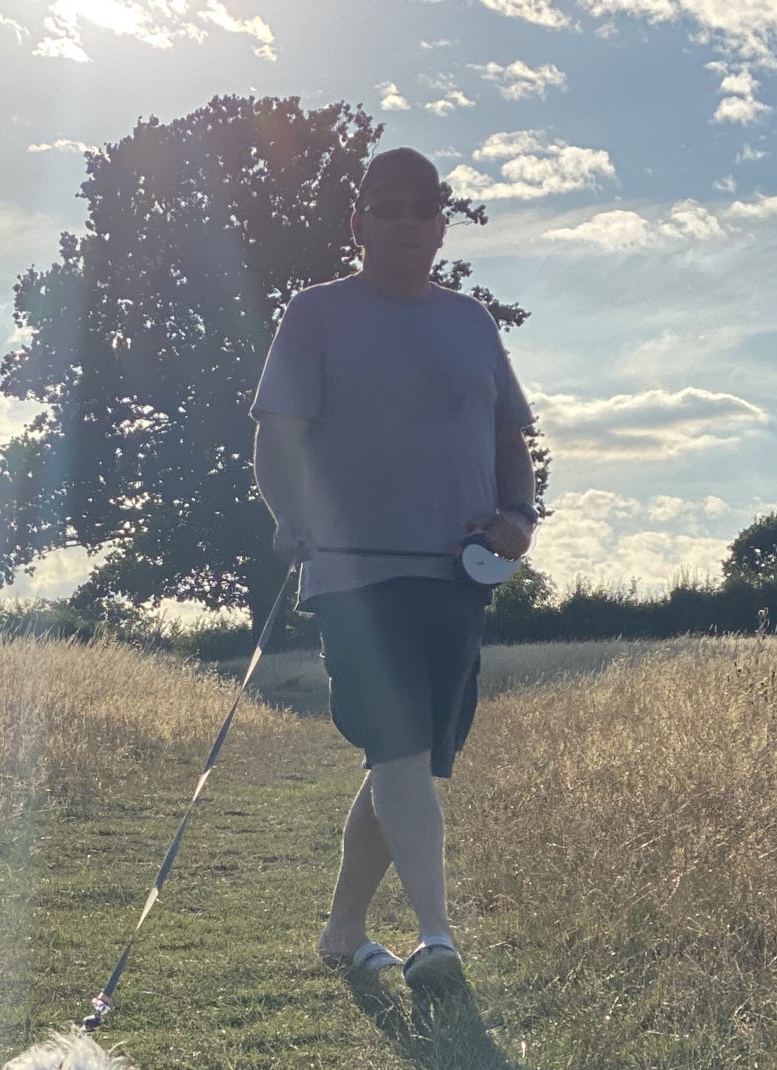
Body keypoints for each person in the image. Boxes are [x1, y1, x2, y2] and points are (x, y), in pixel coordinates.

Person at [249, 145, 538, 994]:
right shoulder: (315, 313)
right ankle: (437, 938)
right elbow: (276, 436)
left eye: (425, 207)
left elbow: (508, 438)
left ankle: (342, 932)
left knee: (402, 758)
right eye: (390, 206)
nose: (409, 220)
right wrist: (290, 516)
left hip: (458, 575)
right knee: (401, 752)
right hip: (354, 579)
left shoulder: (473, 321)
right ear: (359, 224)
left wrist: (517, 517)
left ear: (442, 223)